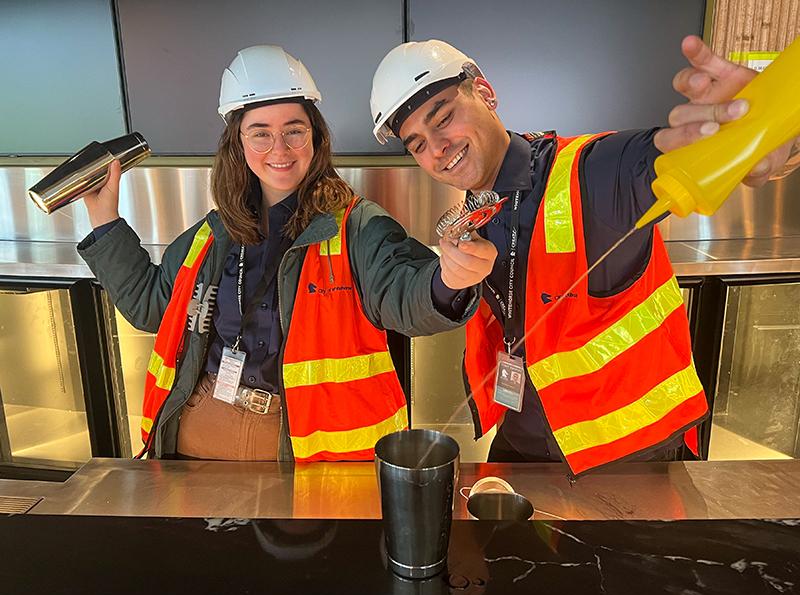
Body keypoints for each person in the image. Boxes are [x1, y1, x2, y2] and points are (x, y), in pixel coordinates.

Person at [369, 36, 800, 476]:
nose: (437, 147)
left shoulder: (596, 170)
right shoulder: (476, 210)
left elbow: (702, 155)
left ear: (484, 92)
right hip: (524, 441)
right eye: (417, 144)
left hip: (630, 452)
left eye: (443, 118)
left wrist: (757, 135)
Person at [78, 45, 496, 462]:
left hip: (304, 451)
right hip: (197, 436)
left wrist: (448, 282)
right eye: (260, 132)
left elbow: (405, 294)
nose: (279, 149)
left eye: (294, 130)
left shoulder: (355, 226)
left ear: (314, 135)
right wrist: (104, 219)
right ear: (238, 143)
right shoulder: (214, 233)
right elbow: (152, 307)